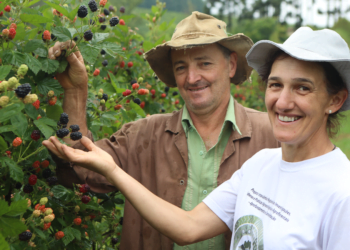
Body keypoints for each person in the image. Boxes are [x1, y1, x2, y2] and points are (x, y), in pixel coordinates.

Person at [44, 26, 350, 249]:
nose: (192, 78)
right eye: (275, 85)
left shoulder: (280, 142)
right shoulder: (262, 164)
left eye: (303, 88)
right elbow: (80, 166)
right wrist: (74, 93)